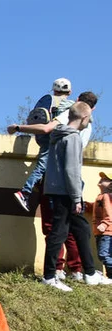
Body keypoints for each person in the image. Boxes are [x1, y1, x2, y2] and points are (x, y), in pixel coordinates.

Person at [40, 102, 112, 290]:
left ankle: (89, 272)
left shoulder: (59, 135)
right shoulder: (72, 138)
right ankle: (49, 276)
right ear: (85, 118)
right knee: (59, 232)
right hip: (66, 192)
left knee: (81, 229)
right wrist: (76, 197)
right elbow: (71, 170)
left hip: (59, 190)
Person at [8, 78, 73, 211]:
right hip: (55, 137)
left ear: (53, 89)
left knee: (45, 165)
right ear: (70, 91)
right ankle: (25, 192)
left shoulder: (48, 100)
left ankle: (39, 186)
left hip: (42, 136)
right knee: (43, 166)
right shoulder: (69, 104)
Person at [94, 172, 112, 277]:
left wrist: (105, 224)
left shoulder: (107, 196)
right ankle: (110, 276)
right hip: (102, 231)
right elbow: (98, 209)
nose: (102, 179)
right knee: (107, 254)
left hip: (106, 231)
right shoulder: (100, 196)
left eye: (105, 179)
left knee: (103, 254)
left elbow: (109, 212)